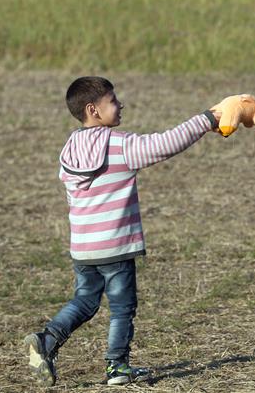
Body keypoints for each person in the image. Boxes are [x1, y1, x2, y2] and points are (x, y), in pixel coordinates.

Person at [24, 76, 229, 386]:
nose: (121, 105)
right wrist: (206, 120)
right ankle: (117, 366)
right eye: (113, 101)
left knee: (85, 301)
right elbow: (166, 143)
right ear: (93, 109)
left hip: (83, 246)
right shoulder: (118, 145)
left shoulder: (69, 148)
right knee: (122, 308)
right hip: (115, 246)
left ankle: (47, 340)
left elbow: (70, 195)